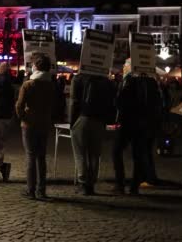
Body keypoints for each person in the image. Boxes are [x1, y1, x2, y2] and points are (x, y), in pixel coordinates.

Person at [113, 58, 163, 195]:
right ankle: (134, 186)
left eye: (125, 65)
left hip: (128, 122)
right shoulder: (152, 82)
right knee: (138, 155)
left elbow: (120, 101)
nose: (123, 67)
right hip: (144, 123)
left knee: (117, 151)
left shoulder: (128, 80)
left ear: (131, 67)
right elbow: (158, 103)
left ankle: (120, 184)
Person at [15, 53, 55, 200]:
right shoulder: (51, 84)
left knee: (31, 156)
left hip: (29, 124)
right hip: (44, 123)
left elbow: (19, 105)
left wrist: (23, 117)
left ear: (36, 67)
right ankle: (41, 190)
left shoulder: (28, 84)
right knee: (41, 157)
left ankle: (30, 190)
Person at [68, 72, 115, 195]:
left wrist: (71, 122)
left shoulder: (78, 78)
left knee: (80, 153)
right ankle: (91, 185)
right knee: (95, 154)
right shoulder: (106, 81)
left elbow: (74, 101)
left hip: (82, 118)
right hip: (99, 120)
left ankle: (83, 183)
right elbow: (111, 102)